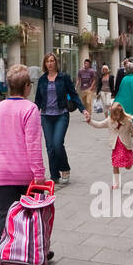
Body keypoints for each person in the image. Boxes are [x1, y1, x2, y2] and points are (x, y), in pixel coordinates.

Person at [0, 64, 46, 253]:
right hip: (25, 173)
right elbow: (33, 145)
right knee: (30, 215)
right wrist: (39, 174)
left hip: (3, 172)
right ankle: (30, 252)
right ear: (27, 87)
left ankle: (0, 255)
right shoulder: (30, 109)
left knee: (3, 214)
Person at [35, 53, 84, 185]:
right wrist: (32, 115)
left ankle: (65, 168)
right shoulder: (42, 80)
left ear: (56, 63)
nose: (50, 64)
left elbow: (74, 95)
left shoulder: (64, 78)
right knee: (50, 146)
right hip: (46, 116)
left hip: (61, 114)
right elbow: (37, 100)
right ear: (45, 64)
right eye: (47, 62)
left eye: (52, 61)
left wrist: (83, 109)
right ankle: (54, 175)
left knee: (57, 144)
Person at [85, 101, 133, 189]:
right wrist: (90, 121)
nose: (114, 117)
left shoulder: (128, 121)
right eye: (112, 115)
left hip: (125, 146)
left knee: (128, 167)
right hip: (115, 147)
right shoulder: (109, 120)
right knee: (115, 165)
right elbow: (99, 124)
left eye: (116, 115)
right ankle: (116, 183)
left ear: (121, 113)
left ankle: (128, 164)